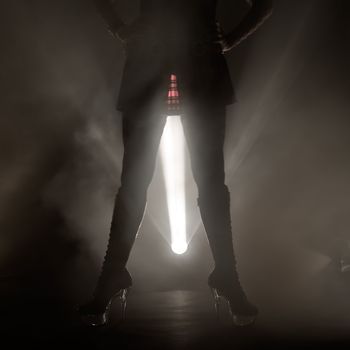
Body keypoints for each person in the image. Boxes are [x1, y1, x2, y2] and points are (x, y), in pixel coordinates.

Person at [79, 0, 273, 326]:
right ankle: (222, 277)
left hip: (176, 66)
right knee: (146, 182)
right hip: (174, 66)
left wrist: (119, 27)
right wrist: (118, 27)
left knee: (193, 181)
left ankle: (224, 275)